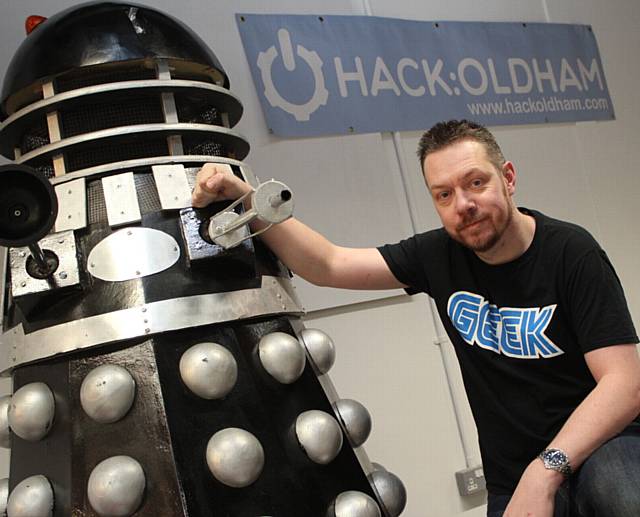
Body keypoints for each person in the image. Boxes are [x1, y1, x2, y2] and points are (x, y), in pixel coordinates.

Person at [192, 120, 640, 517]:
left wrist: (545, 473)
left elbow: (624, 384)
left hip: (605, 447)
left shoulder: (570, 252)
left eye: (476, 183)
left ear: (508, 178)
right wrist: (247, 199)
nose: (462, 204)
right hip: (514, 471)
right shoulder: (437, 256)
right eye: (444, 195)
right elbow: (327, 265)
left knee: (622, 496)